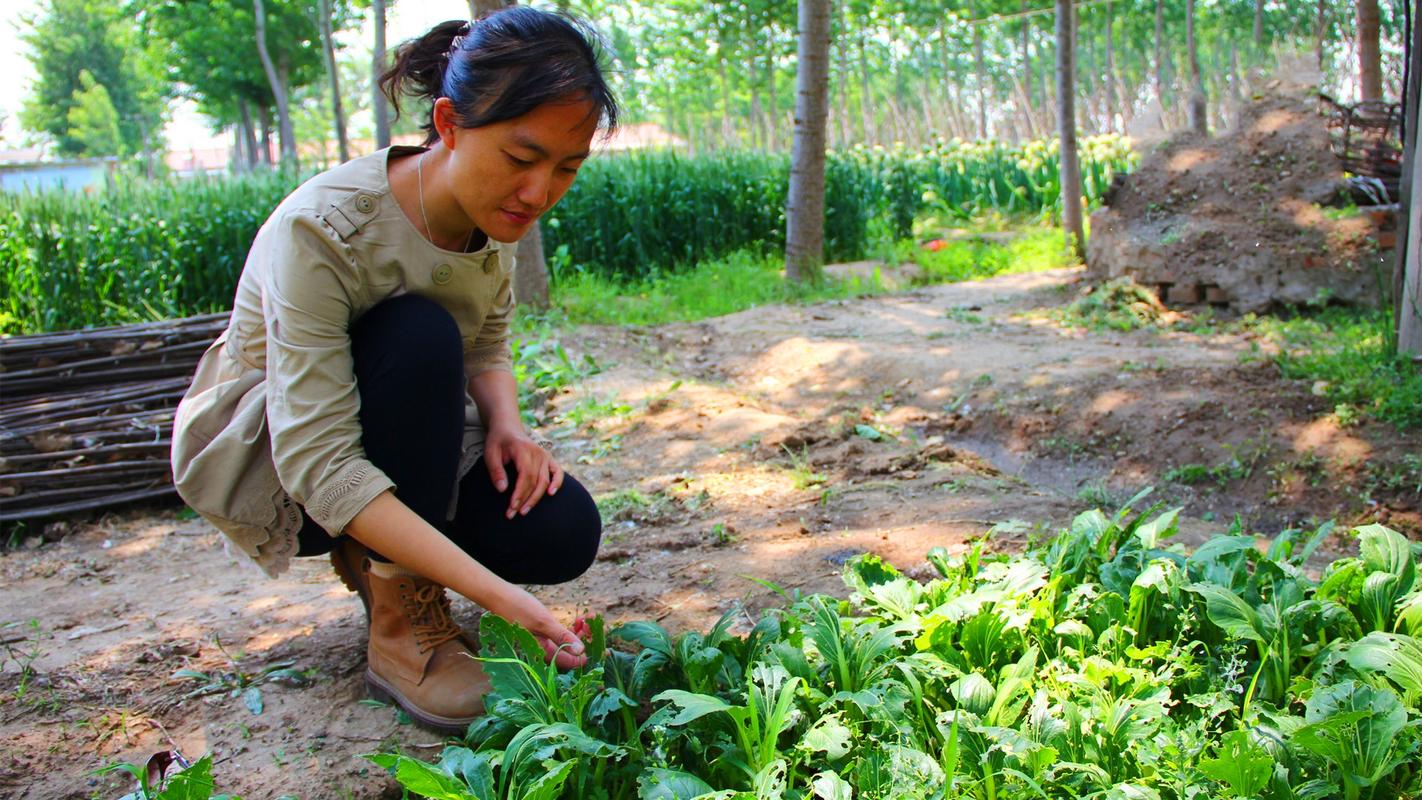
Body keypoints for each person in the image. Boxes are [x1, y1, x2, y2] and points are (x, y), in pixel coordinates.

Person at [170, 7, 616, 733]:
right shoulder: (323, 229)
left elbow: (488, 334)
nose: (539, 193)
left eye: (567, 168)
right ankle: (403, 633)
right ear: (447, 123)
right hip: (276, 456)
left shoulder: (490, 210)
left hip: (399, 421)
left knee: (561, 530)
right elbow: (317, 460)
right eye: (520, 156)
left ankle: (382, 553)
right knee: (417, 334)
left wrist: (508, 423)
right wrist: (502, 600)